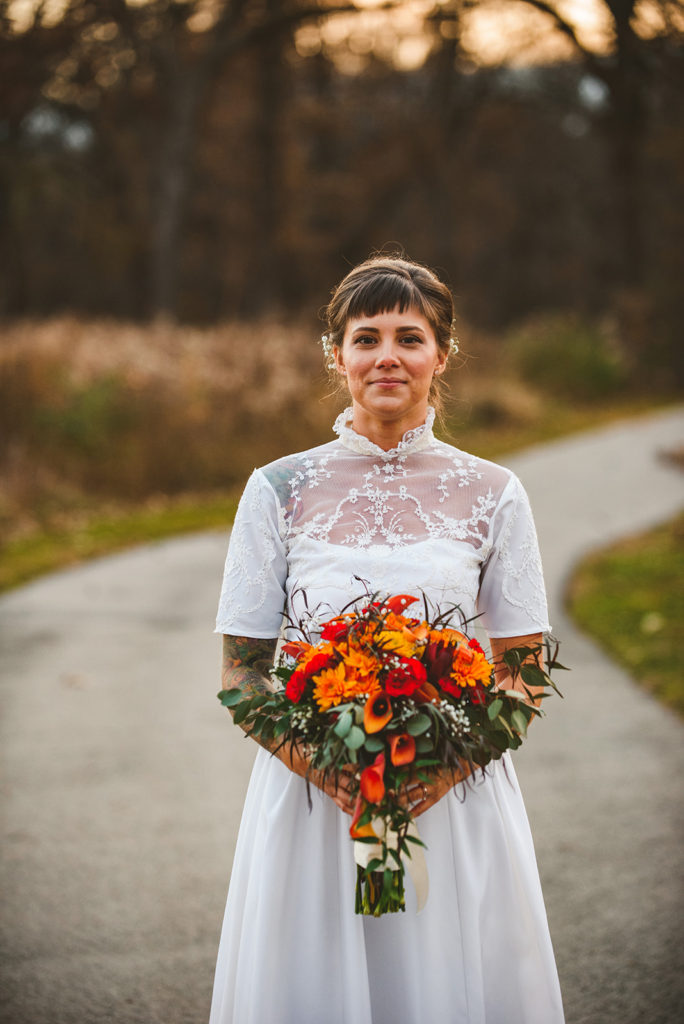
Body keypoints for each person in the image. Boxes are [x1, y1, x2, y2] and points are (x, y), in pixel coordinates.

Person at [209, 255, 564, 1024]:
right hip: (312, 802)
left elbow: (524, 668)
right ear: (335, 354)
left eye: (410, 336)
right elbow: (242, 674)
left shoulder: (495, 492)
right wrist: (330, 771)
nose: (388, 357)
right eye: (366, 337)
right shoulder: (276, 489)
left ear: (444, 353)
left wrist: (441, 771)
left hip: (451, 797)